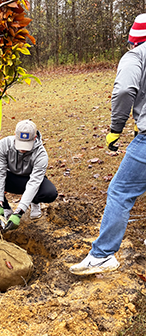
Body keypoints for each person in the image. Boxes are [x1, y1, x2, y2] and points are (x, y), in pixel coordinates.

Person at [70, 13, 146, 275]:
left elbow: (125, 90)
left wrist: (116, 129)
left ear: (133, 40)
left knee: (120, 192)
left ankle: (102, 255)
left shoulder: (136, 56)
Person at [0, 119, 58, 231]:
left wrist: (19, 212)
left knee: (50, 193)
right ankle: (6, 209)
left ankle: (35, 202)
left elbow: (34, 183)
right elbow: (0, 173)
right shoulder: (4, 144)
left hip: (30, 179)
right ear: (15, 136)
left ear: (35, 138)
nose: (22, 149)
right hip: (12, 178)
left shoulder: (41, 155)